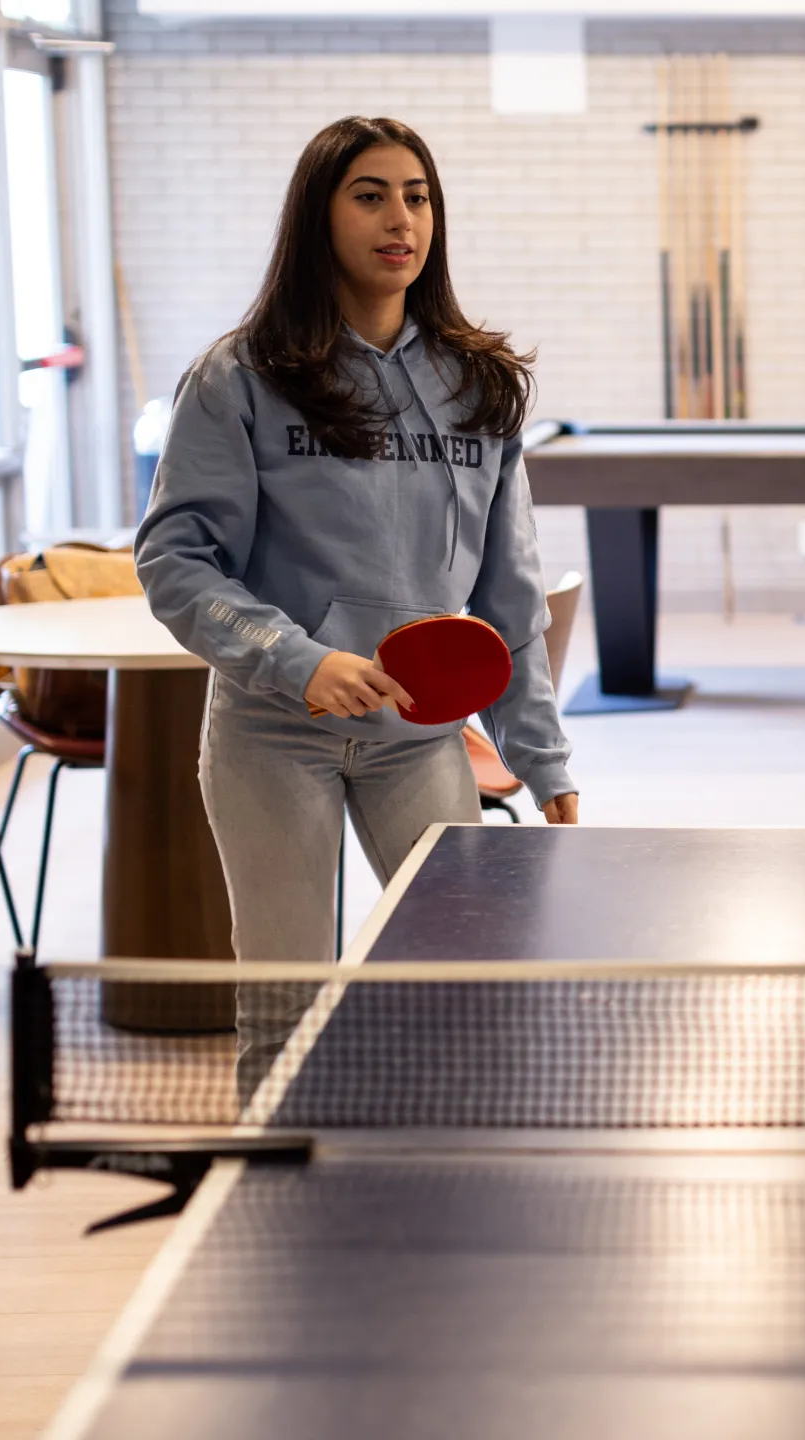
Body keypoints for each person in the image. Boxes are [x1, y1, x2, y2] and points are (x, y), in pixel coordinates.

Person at [136, 116, 577, 1089]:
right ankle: (270, 1186)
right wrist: (299, 661)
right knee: (284, 1013)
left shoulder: (480, 385)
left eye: (417, 197)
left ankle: (441, 1180)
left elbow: (508, 597)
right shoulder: (238, 377)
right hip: (271, 737)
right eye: (370, 196)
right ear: (318, 216)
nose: (400, 219)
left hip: (419, 741)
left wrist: (541, 755)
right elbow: (176, 560)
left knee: (460, 997)